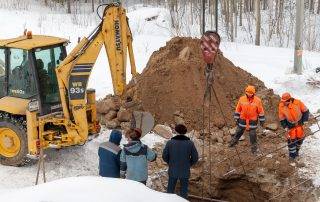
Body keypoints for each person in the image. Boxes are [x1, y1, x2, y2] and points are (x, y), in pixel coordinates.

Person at [162, 124, 199, 199]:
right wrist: (189, 164)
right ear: (185, 132)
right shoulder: (190, 143)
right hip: (185, 170)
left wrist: (170, 163)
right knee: (184, 191)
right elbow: (195, 157)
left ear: (176, 131)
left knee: (170, 191)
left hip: (173, 169)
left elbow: (164, 156)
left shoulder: (170, 143)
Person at [229, 85, 265, 154]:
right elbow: (238, 109)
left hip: (252, 122)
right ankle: (232, 143)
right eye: (248, 93)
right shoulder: (241, 99)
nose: (249, 95)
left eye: (250, 94)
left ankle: (254, 150)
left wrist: (262, 120)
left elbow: (260, 111)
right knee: (238, 132)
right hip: (242, 120)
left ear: (253, 93)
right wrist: (236, 118)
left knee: (253, 135)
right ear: (245, 92)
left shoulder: (258, 101)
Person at [278, 92, 309, 160]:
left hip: (300, 125)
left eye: (284, 101)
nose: (282, 102)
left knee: (300, 140)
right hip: (290, 126)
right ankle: (292, 156)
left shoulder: (298, 103)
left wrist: (305, 121)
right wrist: (285, 126)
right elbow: (281, 118)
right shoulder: (281, 106)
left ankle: (297, 152)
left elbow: (306, 111)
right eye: (282, 101)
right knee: (291, 141)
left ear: (289, 100)